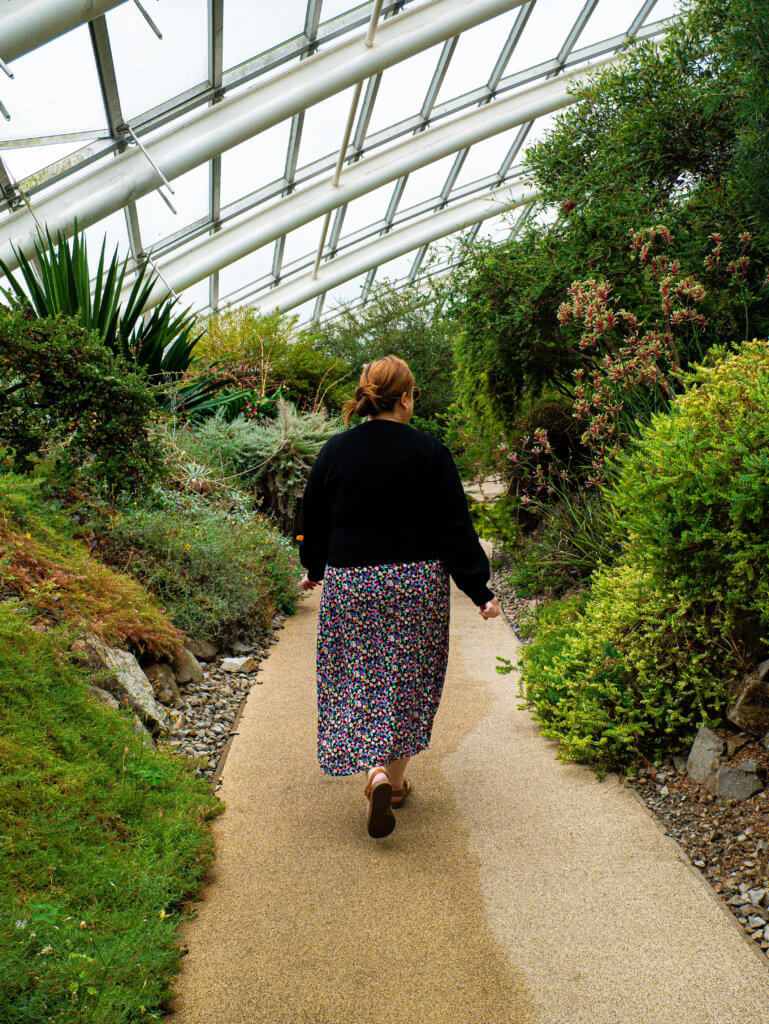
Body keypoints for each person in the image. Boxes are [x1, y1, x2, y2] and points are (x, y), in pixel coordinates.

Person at [298, 354, 500, 838]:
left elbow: (314, 517)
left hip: (352, 582)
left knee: (353, 674)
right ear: (407, 397)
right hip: (415, 582)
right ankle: (398, 778)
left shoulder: (334, 452)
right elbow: (455, 527)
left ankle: (374, 773)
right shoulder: (430, 452)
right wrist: (479, 589)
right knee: (410, 675)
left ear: (367, 395)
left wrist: (313, 567)